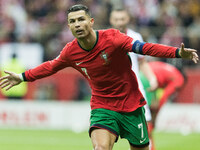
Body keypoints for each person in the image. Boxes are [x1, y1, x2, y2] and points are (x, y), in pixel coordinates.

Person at [0, 4, 198, 150]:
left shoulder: (113, 38)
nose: (77, 24)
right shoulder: (70, 52)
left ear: (91, 22)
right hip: (102, 107)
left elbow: (145, 48)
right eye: (72, 21)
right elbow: (51, 66)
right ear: (68, 27)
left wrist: (178, 53)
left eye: (81, 19)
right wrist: (22, 76)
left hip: (131, 106)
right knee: (101, 148)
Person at [109, 8, 157, 150]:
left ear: (128, 19)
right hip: (112, 91)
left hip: (135, 89)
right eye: (116, 19)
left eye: (122, 19)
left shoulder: (135, 36)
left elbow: (142, 62)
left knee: (145, 125)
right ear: (111, 20)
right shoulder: (104, 38)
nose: (119, 22)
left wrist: (152, 78)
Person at [140, 61, 185, 128]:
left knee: (148, 109)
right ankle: (147, 135)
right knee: (149, 111)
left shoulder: (171, 71)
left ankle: (148, 133)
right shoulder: (179, 80)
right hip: (148, 78)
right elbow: (164, 96)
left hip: (143, 72)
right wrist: (157, 113)